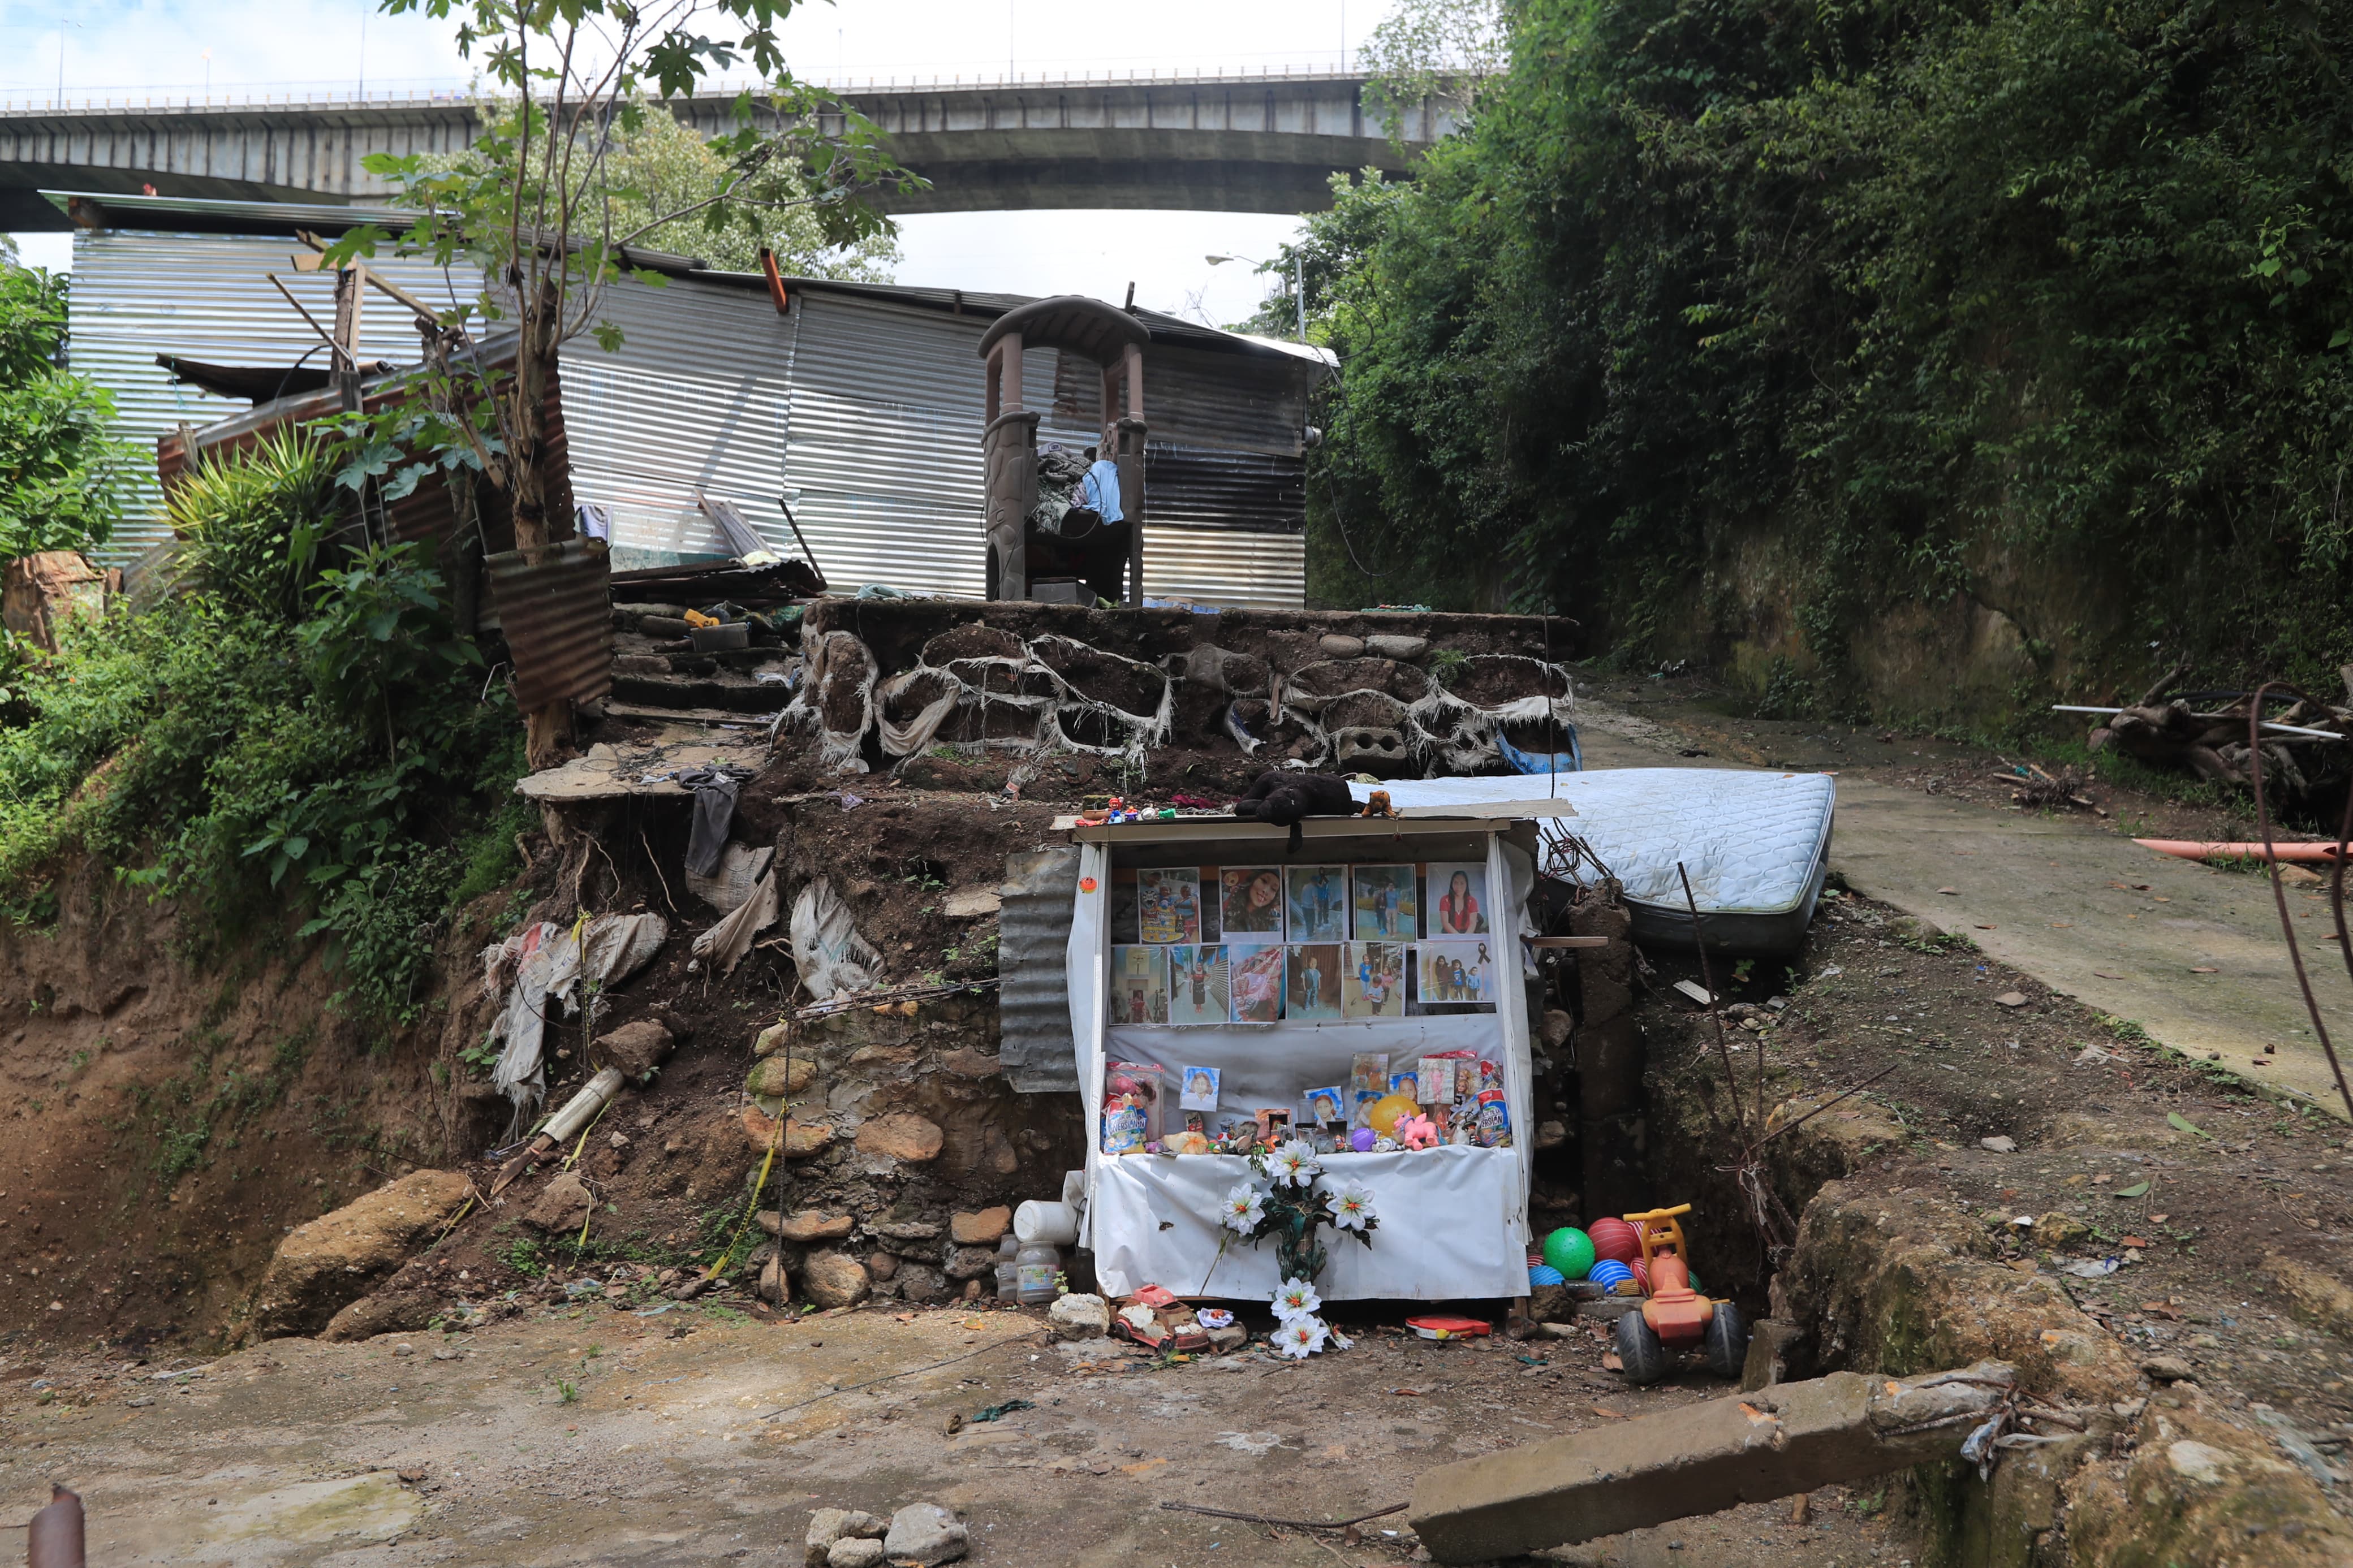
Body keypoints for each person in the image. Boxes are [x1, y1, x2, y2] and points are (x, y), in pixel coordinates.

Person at [1438, 870, 1482, 934]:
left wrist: (1465, 938)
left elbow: (1472, 924)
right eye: (1456, 883)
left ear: (1467, 885)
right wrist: (1458, 937)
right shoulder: (1444, 900)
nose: (1459, 887)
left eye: (1462, 883)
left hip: (1467, 934)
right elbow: (1445, 923)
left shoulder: (1472, 901)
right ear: (1452, 884)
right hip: (1449, 934)